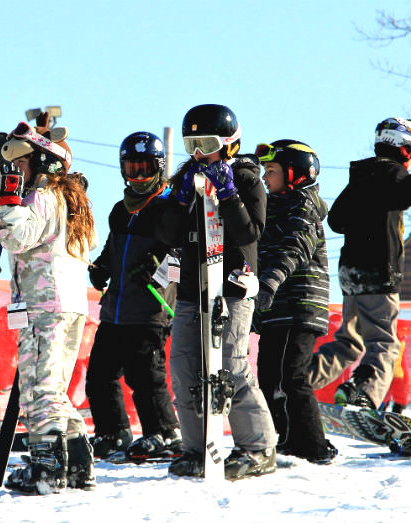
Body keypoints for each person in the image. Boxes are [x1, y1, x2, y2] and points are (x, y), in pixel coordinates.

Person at [154, 104, 278, 480]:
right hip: (193, 288)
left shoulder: (245, 178)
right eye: (192, 143)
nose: (198, 152)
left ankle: (258, 447)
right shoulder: (186, 180)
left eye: (206, 143)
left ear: (228, 143)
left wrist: (227, 193)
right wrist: (178, 199)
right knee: (185, 367)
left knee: (232, 365)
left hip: (233, 288)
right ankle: (198, 448)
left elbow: (250, 233)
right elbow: (165, 235)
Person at [0, 117, 97, 494]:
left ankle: (47, 466)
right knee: (53, 388)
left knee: (39, 387)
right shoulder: (73, 200)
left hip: (44, 303)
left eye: (23, 163)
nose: (17, 171)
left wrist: (8, 203)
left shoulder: (40, 194)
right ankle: (77, 463)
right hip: (70, 304)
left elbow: (18, 237)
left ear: (43, 163)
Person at [308, 117, 411, 409]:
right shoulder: (391, 175)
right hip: (379, 272)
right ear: (403, 148)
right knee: (384, 343)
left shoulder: (361, 177)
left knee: (349, 342)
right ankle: (363, 395)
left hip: (351, 273)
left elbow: (337, 219)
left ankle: (299, 382)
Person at [85, 131, 181, 460]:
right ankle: (113, 432)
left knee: (145, 376)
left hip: (151, 308)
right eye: (131, 169)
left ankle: (165, 433)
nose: (138, 177)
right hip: (116, 309)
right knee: (99, 375)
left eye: (145, 168)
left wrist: (160, 268)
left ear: (160, 167)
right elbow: (114, 250)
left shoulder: (171, 206)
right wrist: (101, 266)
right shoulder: (120, 210)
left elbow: (183, 257)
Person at [252, 140, 336, 464]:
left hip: (300, 305)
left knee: (292, 375)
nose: (264, 178)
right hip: (276, 307)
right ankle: (285, 440)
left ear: (295, 175)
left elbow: (295, 248)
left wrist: (269, 283)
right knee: (268, 375)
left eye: (271, 172)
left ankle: (314, 445)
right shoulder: (271, 207)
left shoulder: (305, 206)